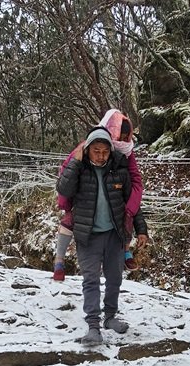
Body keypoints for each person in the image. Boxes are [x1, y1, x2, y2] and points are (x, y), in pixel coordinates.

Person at [56, 126, 149, 345]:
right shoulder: (79, 170)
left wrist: (141, 229)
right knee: (91, 280)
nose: (101, 156)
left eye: (105, 151)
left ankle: (110, 317)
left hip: (115, 235)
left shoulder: (119, 170)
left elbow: (132, 204)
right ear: (87, 150)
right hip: (87, 235)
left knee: (115, 278)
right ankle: (93, 326)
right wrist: (76, 162)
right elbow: (64, 189)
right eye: (96, 151)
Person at [53, 109, 144, 281]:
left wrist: (131, 207)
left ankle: (125, 251)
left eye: (126, 137)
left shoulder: (126, 152)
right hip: (83, 201)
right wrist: (65, 204)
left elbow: (135, 180)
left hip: (112, 199)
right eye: (120, 135)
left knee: (122, 212)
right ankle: (59, 260)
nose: (123, 140)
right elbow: (66, 172)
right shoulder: (87, 148)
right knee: (68, 223)